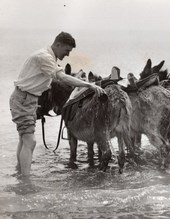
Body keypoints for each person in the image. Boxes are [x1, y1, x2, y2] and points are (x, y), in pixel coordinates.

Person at [9, 32, 105, 176]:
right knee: (30, 141)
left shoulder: (47, 57)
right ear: (58, 44)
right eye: (67, 50)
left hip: (26, 99)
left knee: (24, 139)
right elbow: (62, 77)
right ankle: (26, 182)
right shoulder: (44, 58)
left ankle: (20, 174)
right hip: (24, 99)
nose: (67, 55)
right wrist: (89, 86)